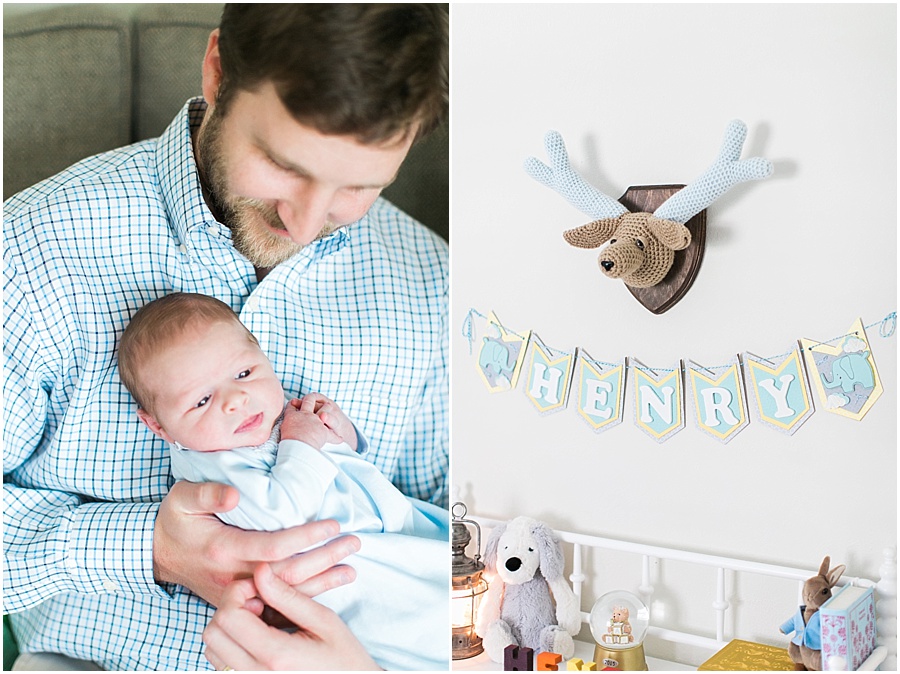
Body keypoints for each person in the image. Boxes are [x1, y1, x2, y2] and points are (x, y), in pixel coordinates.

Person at [3, 4, 448, 670]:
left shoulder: (438, 289)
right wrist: (148, 546)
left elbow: (492, 565)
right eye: (282, 164)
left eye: (358, 187)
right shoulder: (31, 255)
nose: (304, 222)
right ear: (217, 73)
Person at [117, 292, 449, 670]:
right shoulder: (213, 466)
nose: (235, 399)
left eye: (244, 374)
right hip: (358, 582)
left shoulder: (263, 424)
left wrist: (339, 432)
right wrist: (303, 441)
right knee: (430, 630)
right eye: (202, 400)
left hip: (396, 532)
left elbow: (346, 467)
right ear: (158, 425)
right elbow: (281, 514)